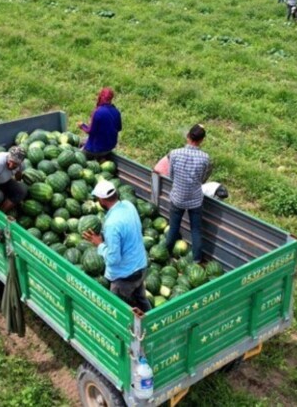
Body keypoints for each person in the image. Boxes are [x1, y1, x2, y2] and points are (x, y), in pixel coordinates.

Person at [82, 181, 151, 313]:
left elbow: (114, 259)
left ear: (102, 200)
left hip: (125, 276)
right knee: (141, 298)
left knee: (119, 309)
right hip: (141, 265)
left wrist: (99, 244)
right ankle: (153, 321)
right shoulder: (128, 205)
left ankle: (126, 331)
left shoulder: (112, 224)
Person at [165, 124, 211, 264]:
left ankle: (165, 253)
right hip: (195, 200)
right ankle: (197, 260)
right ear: (202, 140)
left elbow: (171, 175)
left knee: (173, 227)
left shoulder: (175, 153)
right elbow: (203, 179)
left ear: (188, 136)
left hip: (178, 197)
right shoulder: (205, 158)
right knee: (196, 230)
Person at [79, 87, 122, 161]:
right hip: (110, 148)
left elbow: (91, 132)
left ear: (100, 96)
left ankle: (97, 157)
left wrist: (82, 125)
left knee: (78, 155)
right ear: (111, 98)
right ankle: (101, 159)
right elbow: (119, 128)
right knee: (84, 140)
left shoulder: (97, 112)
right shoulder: (116, 111)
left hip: (95, 150)